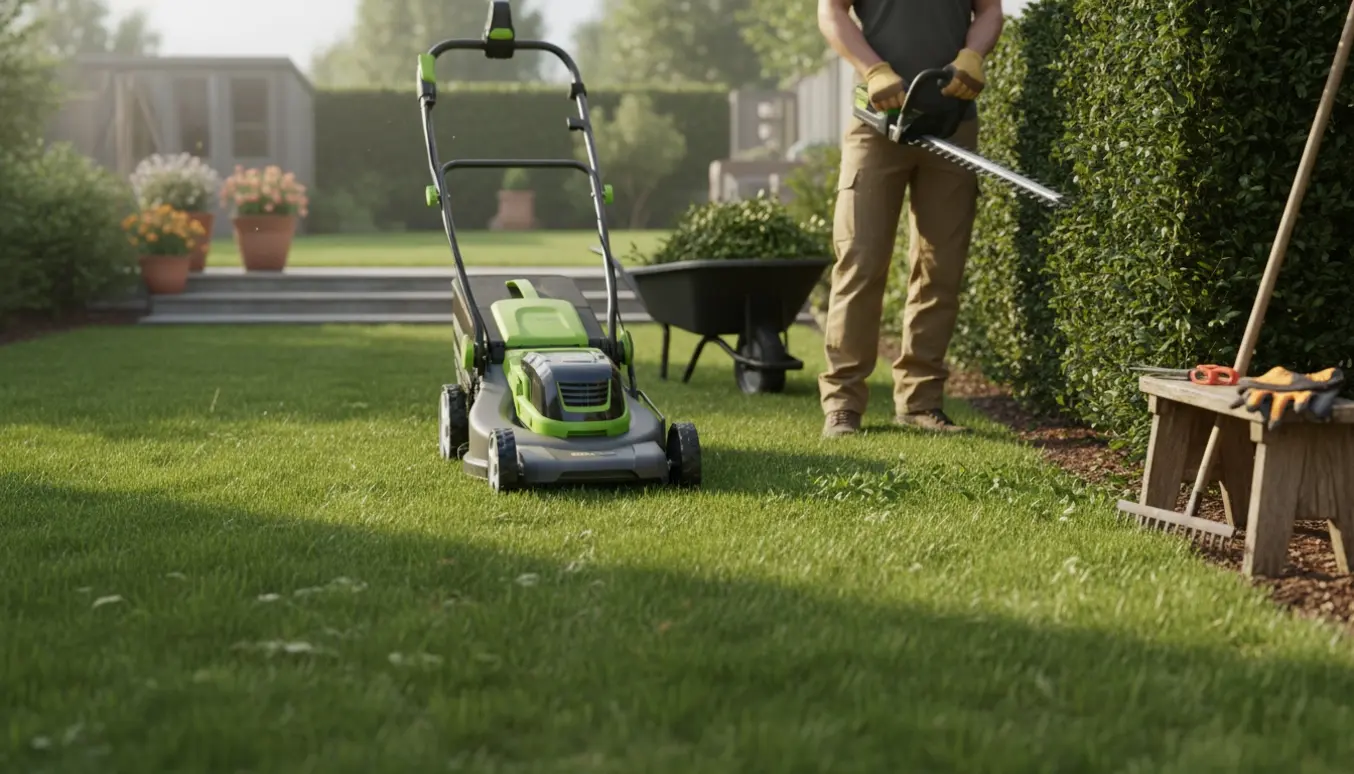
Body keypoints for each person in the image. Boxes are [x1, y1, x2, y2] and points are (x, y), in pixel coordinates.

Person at [815, 0, 1004, 438]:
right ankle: (843, 405)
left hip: (952, 122)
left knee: (941, 267)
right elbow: (831, 12)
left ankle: (921, 403)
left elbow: (991, 11)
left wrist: (973, 54)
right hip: (879, 121)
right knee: (860, 260)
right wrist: (873, 69)